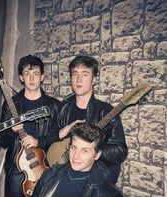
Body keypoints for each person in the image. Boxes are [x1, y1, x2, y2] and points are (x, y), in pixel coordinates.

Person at [0, 122, 126, 197]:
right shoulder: (50, 175)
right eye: (74, 147)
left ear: (98, 154)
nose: (75, 156)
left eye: (85, 150)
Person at [0, 54, 61, 197]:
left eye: (36, 73)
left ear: (42, 77)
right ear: (21, 77)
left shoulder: (54, 106)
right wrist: (11, 132)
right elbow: (2, 142)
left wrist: (38, 141)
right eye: (27, 74)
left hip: (45, 167)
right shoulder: (10, 105)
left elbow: (60, 139)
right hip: (16, 169)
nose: (32, 78)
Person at [55, 55, 128, 184]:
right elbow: (52, 138)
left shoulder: (106, 111)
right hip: (65, 175)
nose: (78, 79)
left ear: (93, 80)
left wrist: (92, 149)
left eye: (85, 74)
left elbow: (120, 151)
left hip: (95, 180)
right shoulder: (63, 108)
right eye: (75, 74)